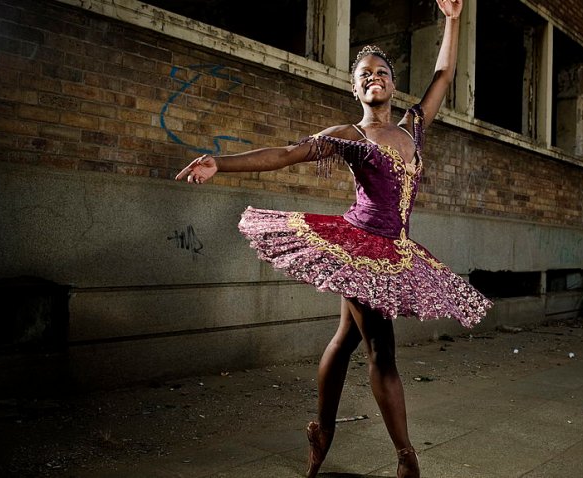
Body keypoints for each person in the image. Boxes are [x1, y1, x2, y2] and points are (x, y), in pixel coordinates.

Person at [175, 1, 488, 476]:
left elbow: (444, 72)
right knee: (381, 348)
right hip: (360, 247)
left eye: (381, 72)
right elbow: (284, 153)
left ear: (393, 83)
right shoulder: (348, 135)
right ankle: (407, 458)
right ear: (355, 86)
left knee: (345, 339)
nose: (373, 78)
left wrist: (452, 19)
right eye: (364, 74)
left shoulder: (413, 128)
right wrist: (223, 162)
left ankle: (321, 429)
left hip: (396, 247)